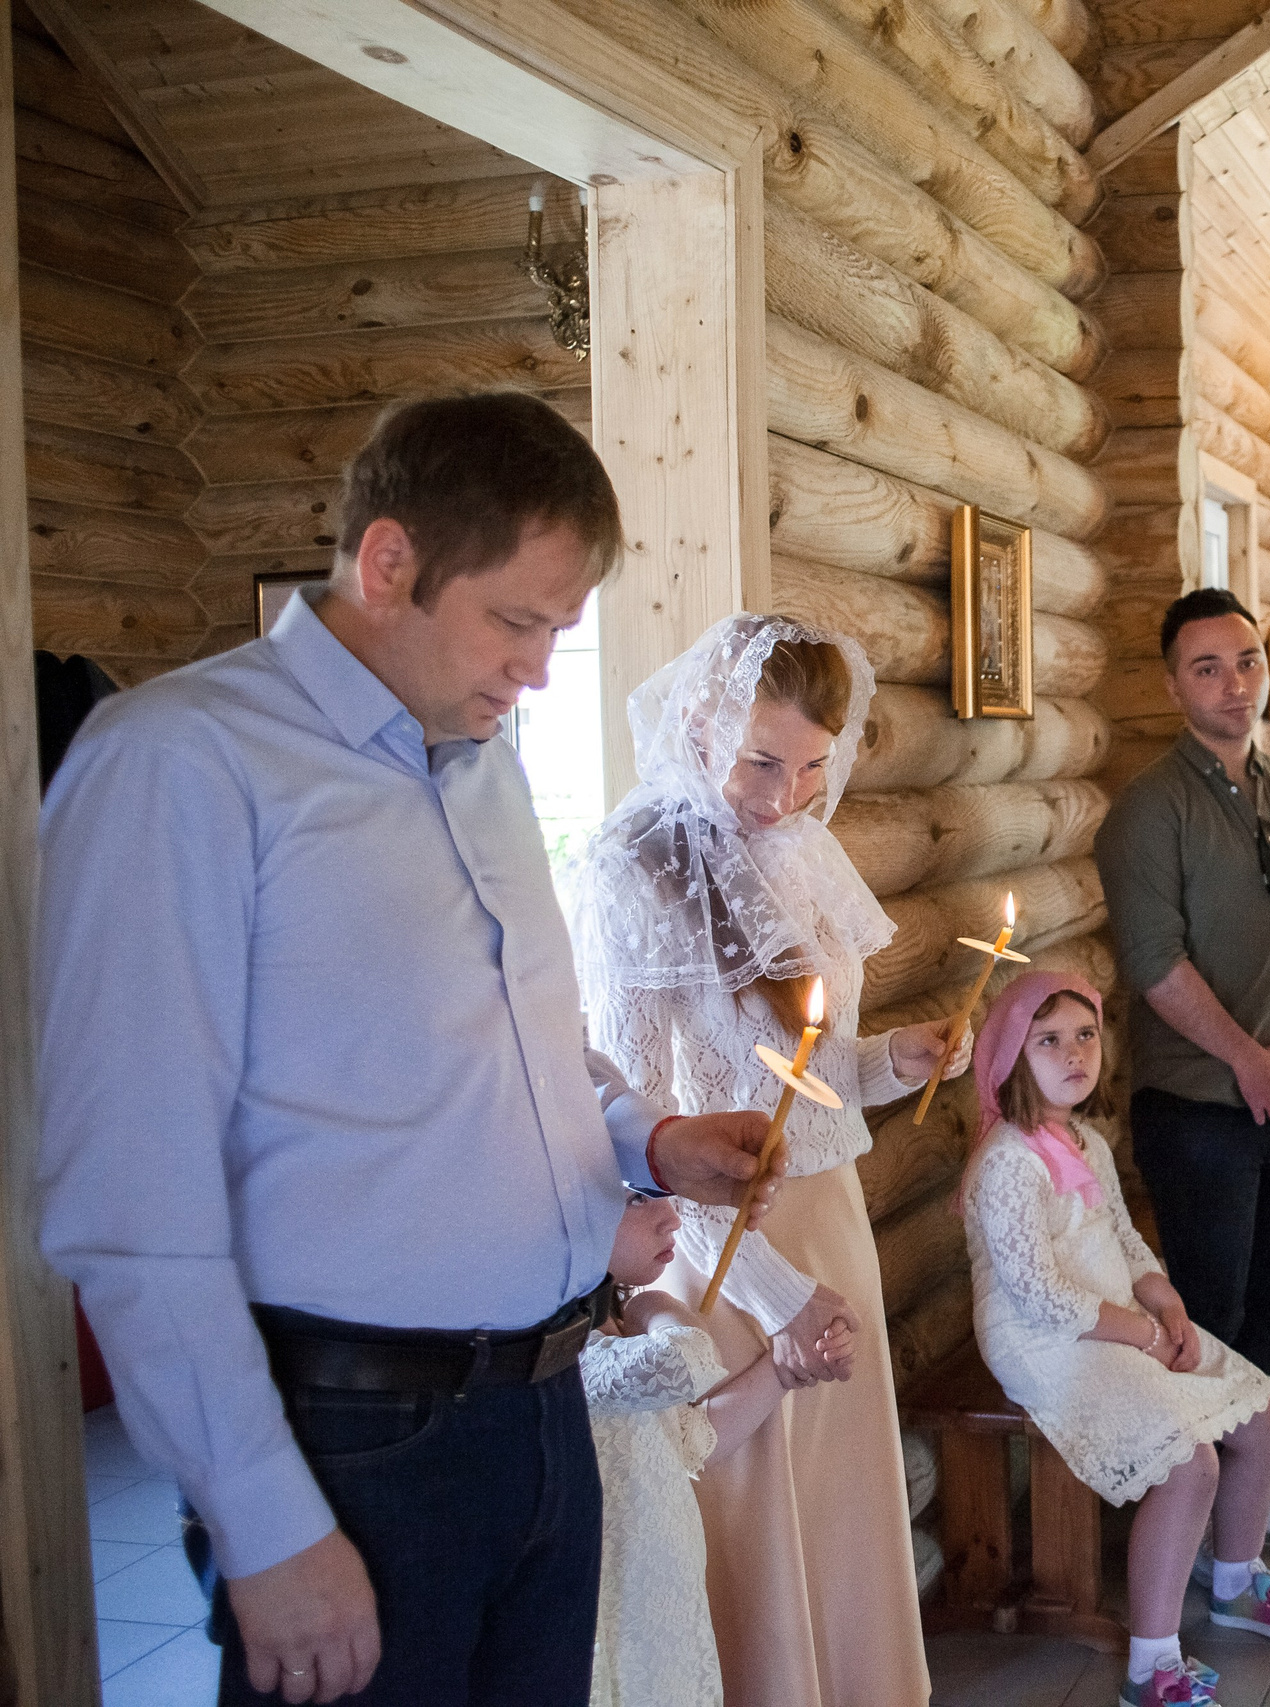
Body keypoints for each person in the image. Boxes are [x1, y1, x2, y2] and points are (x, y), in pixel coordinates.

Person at [36, 390, 780, 1706]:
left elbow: (520, 1045)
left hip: (551, 1403)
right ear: (389, 564)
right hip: (358, 1443)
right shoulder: (183, 763)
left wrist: (647, 1139)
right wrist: (266, 1525)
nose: (541, 668)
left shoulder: (479, 757)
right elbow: (128, 1202)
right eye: (518, 620)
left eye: (562, 629)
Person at [572, 615, 963, 1707]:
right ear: (700, 722)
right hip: (727, 1254)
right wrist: (781, 1299)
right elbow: (647, 1131)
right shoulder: (630, 866)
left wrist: (894, 1059)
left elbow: (807, 1070)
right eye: (760, 760)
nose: (782, 795)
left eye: (809, 768)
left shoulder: (797, 849)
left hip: (825, 1210)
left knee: (839, 1514)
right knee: (757, 1520)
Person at [961, 972, 1270, 1707]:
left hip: (1115, 1317)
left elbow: (1125, 1239)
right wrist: (1137, 1331)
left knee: (1266, 1414)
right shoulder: (1008, 1161)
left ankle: (1234, 1580)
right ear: (1011, 1054)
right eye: (1049, 1040)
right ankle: (1151, 1667)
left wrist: (1168, 1306)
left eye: (1085, 1034)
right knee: (1188, 1462)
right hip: (1044, 1339)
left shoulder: (1086, 1141)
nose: (1074, 1052)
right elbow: (1038, 1294)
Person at [1094, 588, 1270, 1554]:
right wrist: (1251, 1061)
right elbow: (1155, 961)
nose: (1233, 682)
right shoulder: (1147, 814)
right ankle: (1197, 1524)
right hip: (1199, 1108)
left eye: (1245, 660)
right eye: (1206, 667)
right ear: (1173, 684)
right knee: (1208, 1313)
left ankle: (1258, 1496)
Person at [585, 1194, 823, 1707]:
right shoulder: (574, 1351)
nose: (670, 1216)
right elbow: (685, 1359)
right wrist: (658, 1306)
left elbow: (690, 1443)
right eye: (635, 1199)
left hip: (666, 1588)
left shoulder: (615, 1331)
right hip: (618, 1600)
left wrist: (784, 1368)